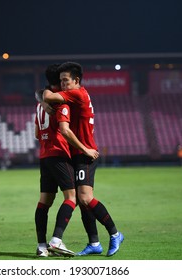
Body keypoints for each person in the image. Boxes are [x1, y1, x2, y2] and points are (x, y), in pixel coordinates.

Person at [43, 62, 124, 257]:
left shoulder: (76, 94)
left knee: (85, 198)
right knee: (81, 199)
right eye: (60, 81)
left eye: (65, 80)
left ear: (76, 80)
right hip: (79, 153)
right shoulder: (78, 94)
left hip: (85, 154)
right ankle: (94, 243)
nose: (62, 84)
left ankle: (115, 233)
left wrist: (46, 101)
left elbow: (47, 95)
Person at [34, 64, 97, 257]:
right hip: (60, 154)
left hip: (44, 156)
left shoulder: (39, 106)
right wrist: (83, 148)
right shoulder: (61, 103)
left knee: (44, 201)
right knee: (72, 198)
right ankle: (57, 240)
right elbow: (64, 130)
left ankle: (41, 246)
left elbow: (37, 134)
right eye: (62, 81)